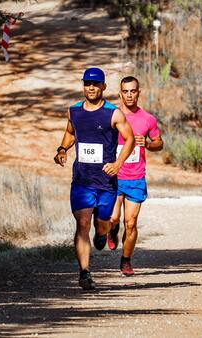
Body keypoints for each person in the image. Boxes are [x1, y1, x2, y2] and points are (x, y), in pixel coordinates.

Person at [54, 67, 135, 290]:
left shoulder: (113, 113)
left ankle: (103, 233)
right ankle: (84, 272)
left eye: (96, 84)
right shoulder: (74, 111)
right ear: (83, 86)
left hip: (106, 184)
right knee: (82, 224)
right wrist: (62, 149)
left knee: (101, 225)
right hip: (82, 181)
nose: (91, 87)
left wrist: (118, 164)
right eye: (87, 84)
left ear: (103, 87)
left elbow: (130, 140)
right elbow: (71, 132)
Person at [107, 76, 163, 276]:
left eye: (133, 91)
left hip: (136, 177)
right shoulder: (112, 115)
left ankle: (126, 260)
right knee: (113, 218)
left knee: (130, 223)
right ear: (120, 93)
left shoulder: (147, 119)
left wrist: (147, 144)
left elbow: (159, 143)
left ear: (138, 92)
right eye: (125, 91)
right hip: (114, 176)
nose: (129, 95)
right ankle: (112, 230)